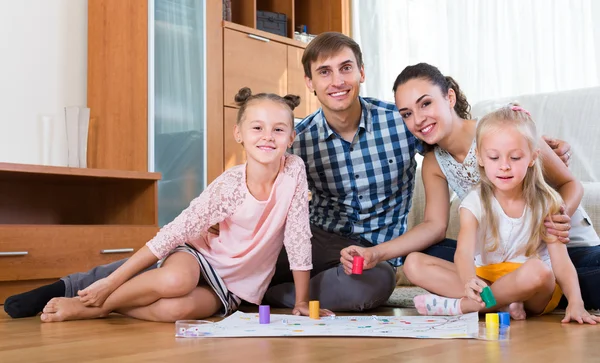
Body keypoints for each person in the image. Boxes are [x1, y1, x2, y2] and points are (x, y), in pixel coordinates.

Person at [4, 33, 573, 318]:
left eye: (346, 68)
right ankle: (74, 286)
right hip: (299, 240)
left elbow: (456, 126)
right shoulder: (293, 134)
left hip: (364, 255)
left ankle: (257, 302)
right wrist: (217, 219)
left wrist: (530, 141)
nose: (337, 80)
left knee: (369, 288)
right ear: (312, 83)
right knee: (216, 255)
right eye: (324, 72)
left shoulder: (399, 122)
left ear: (360, 73)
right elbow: (244, 177)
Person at [35, 87, 333, 322]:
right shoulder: (228, 187)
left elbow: (297, 236)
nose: (268, 136)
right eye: (257, 128)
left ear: (291, 137)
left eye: (278, 129)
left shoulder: (294, 171)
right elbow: (174, 232)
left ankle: (103, 309)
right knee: (176, 280)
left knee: (174, 311)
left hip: (234, 286)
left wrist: (301, 302)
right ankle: (96, 304)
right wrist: (110, 283)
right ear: (238, 134)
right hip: (200, 257)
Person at [391, 63, 600, 310]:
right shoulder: (438, 165)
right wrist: (377, 253)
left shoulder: (507, 128)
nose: (418, 119)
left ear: (449, 96)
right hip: (497, 258)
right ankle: (507, 298)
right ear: (480, 157)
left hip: (556, 246)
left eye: (425, 103)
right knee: (425, 255)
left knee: (564, 273)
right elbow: (437, 230)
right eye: (406, 114)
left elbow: (569, 183)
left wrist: (557, 216)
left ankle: (476, 303)